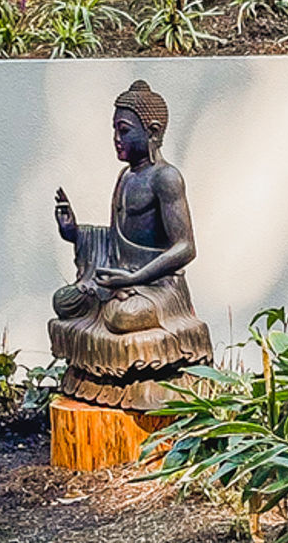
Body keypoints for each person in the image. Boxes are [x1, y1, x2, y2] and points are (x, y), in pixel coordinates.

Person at [47, 79, 213, 411]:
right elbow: (116, 237)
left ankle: (143, 385)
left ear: (152, 131)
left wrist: (136, 279)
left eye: (123, 130)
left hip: (157, 286)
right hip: (119, 278)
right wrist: (76, 233)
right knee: (63, 302)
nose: (116, 139)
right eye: (114, 130)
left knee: (122, 317)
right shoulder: (125, 177)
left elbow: (185, 247)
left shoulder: (166, 178)